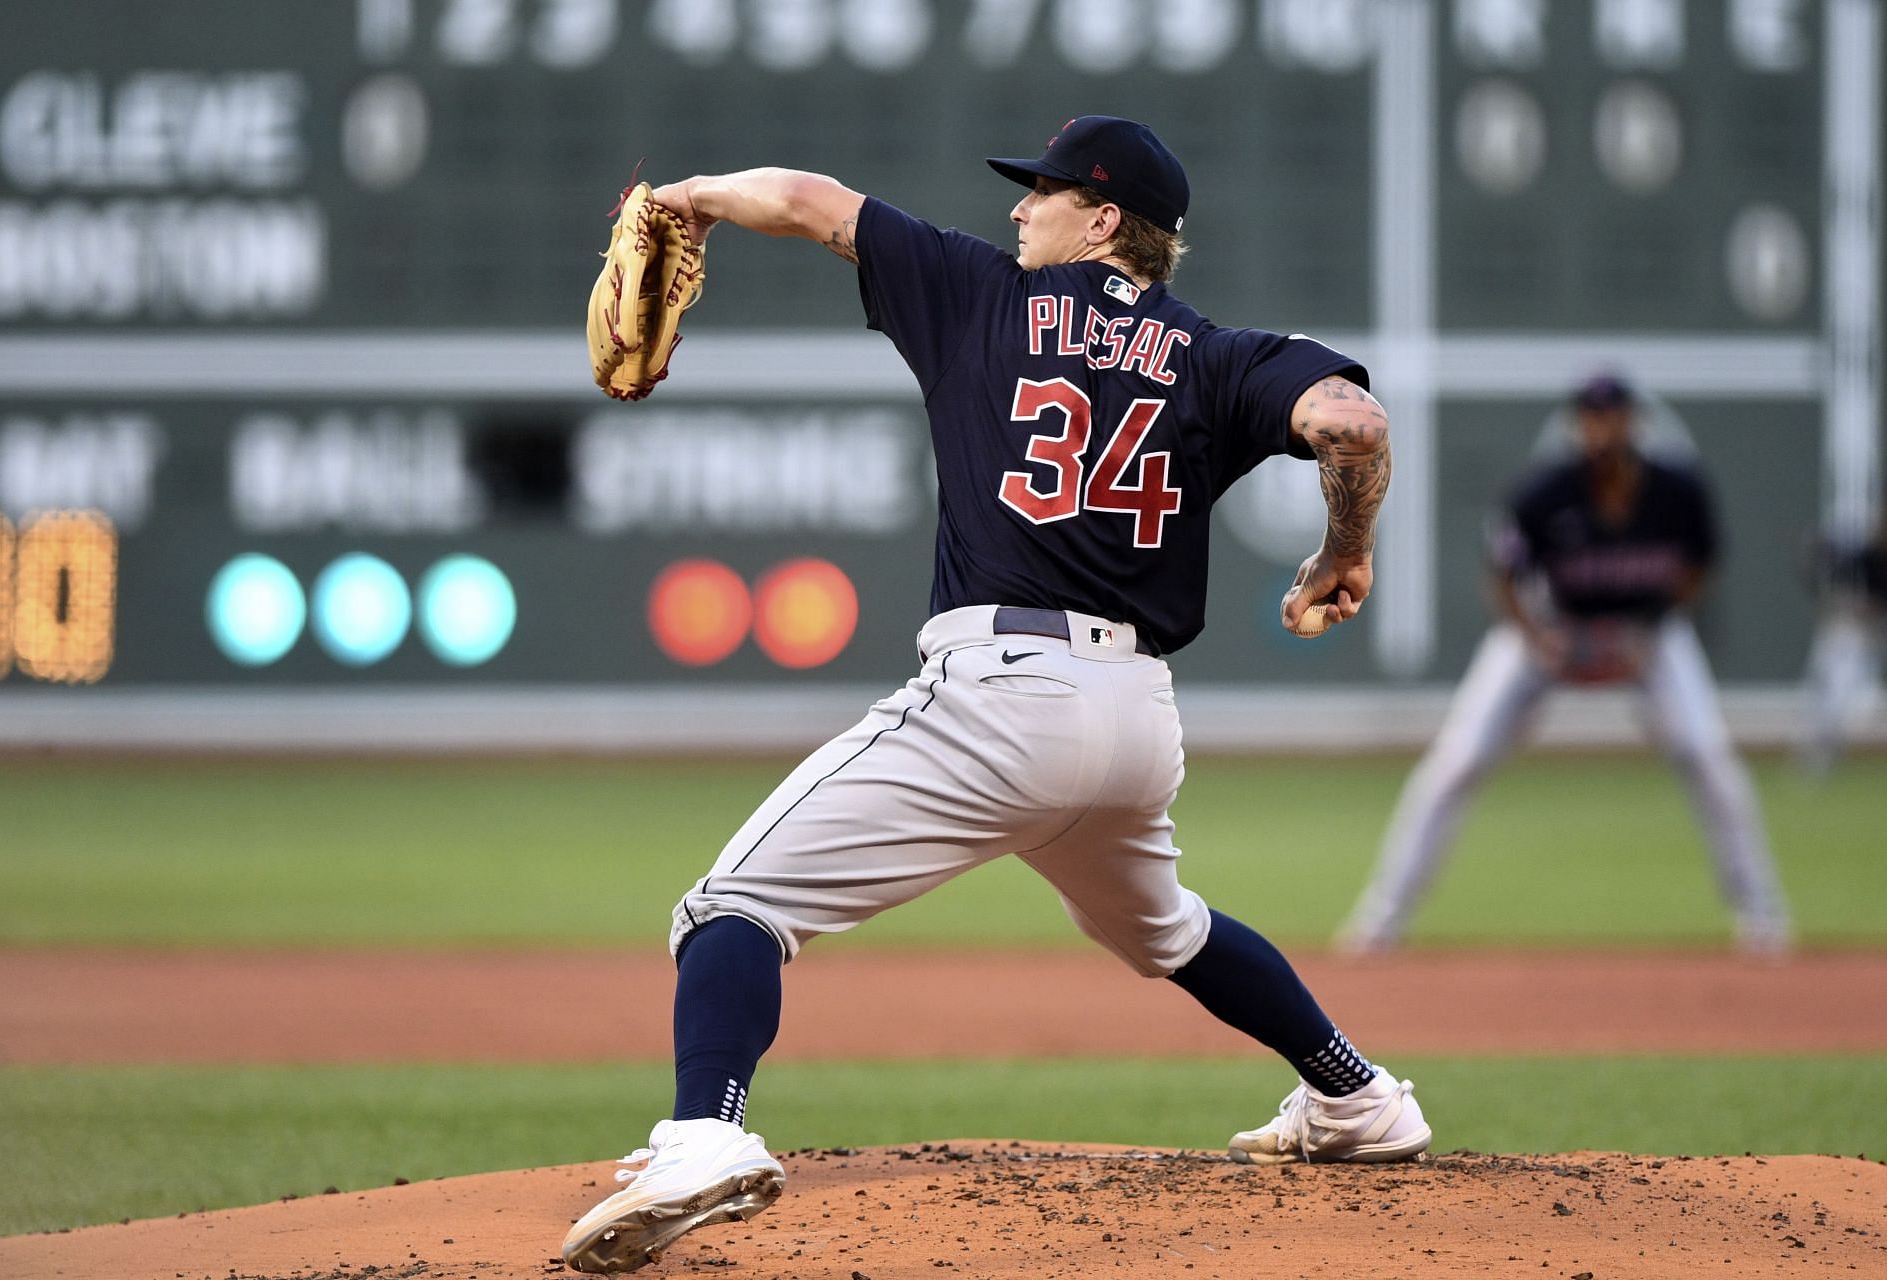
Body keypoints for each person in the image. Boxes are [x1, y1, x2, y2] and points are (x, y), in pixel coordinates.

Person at [562, 116, 1431, 1275]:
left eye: (1046, 192)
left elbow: (814, 198)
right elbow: (1355, 423)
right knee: (1164, 926)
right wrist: (1344, 548)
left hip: (1003, 694)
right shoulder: (1220, 352)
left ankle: (704, 1135)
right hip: (1135, 717)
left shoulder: (981, 295)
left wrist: (692, 194)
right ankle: (1359, 1098)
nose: (1020, 209)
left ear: (1105, 220)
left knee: (734, 905)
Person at [1335, 375, 1793, 956]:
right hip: (1550, 630)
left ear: (1634, 423)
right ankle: (1380, 920)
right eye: (1592, 417)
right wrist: (1540, 639)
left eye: (1614, 416)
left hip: (1644, 635)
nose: (1603, 428)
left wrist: (1653, 625)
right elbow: (1500, 578)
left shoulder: (1678, 490)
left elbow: (1700, 566)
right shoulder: (1543, 492)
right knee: (1456, 762)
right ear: (1578, 426)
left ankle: (1763, 917)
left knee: (1706, 753)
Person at [1796, 512, 1885, 777]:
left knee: (1841, 691)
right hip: (1860, 634)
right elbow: (1843, 583)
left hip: (1873, 631)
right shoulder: (1868, 555)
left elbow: (1873, 607)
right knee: (1829, 692)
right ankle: (1816, 759)